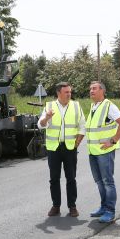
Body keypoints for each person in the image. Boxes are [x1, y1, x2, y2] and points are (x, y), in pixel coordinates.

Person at [38, 82, 85, 217]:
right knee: (54, 179)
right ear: (58, 93)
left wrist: (78, 142)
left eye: (70, 92)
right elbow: (40, 125)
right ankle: (56, 206)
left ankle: (72, 206)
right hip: (54, 148)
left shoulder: (76, 106)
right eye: (66, 92)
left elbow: (82, 125)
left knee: (71, 178)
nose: (69, 94)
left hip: (70, 147)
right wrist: (46, 117)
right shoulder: (49, 106)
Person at [86, 81, 120, 223]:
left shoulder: (109, 106)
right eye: (90, 89)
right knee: (99, 181)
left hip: (105, 151)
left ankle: (110, 211)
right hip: (93, 152)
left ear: (102, 91)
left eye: (94, 88)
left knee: (107, 182)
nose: (91, 91)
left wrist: (113, 140)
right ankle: (103, 207)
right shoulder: (93, 106)